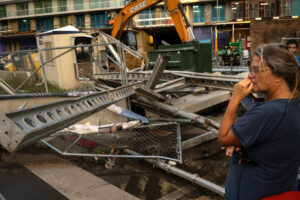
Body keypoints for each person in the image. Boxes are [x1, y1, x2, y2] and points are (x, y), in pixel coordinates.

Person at [218, 44, 300, 200]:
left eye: (256, 70)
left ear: (279, 75)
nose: (250, 76)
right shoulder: (293, 104)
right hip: (281, 188)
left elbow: (223, 136)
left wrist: (235, 98)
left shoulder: (268, 112)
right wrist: (239, 142)